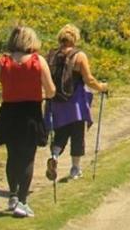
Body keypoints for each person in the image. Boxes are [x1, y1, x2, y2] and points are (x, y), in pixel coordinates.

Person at [0, 26, 56, 219]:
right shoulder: (38, 61)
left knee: (13, 156)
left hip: (9, 112)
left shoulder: (2, 62)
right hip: (30, 112)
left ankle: (13, 195)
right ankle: (23, 202)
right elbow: (51, 91)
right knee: (28, 158)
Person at [44, 24, 109, 183]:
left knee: (60, 133)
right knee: (77, 134)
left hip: (56, 102)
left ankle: (54, 156)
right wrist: (102, 87)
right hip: (75, 103)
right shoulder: (79, 56)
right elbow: (89, 79)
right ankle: (75, 169)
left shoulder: (51, 55)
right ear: (75, 38)